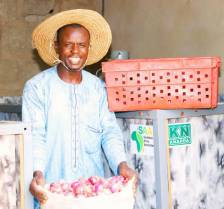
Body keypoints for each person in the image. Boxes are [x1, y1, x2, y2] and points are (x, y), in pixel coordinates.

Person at [22, 9, 137, 208]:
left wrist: (121, 164)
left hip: (92, 193)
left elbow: (109, 131)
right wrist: (37, 173)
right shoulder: (37, 88)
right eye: (68, 45)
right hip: (51, 191)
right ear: (56, 47)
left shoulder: (97, 89)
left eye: (82, 45)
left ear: (88, 48)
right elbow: (35, 136)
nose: (75, 51)